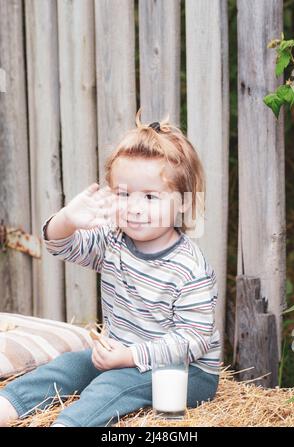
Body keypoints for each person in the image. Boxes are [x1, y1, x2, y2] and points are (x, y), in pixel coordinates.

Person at [0, 109, 221, 427]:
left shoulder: (189, 268)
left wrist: (129, 357)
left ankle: (69, 423)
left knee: (110, 386)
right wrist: (67, 219)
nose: (134, 207)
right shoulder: (114, 239)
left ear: (184, 201)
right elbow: (61, 245)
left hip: (185, 373)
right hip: (120, 355)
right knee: (66, 367)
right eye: (123, 194)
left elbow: (194, 339)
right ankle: (9, 404)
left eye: (149, 196)